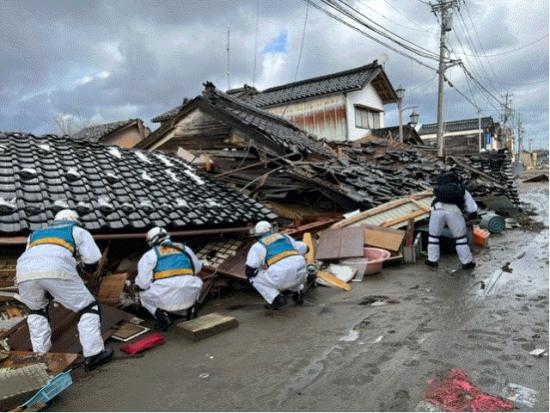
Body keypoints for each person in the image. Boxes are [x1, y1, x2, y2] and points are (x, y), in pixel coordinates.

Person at [16, 209, 112, 371]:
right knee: (88, 307)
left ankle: (41, 357)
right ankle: (94, 354)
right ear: (74, 220)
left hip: (24, 273)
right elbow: (92, 262)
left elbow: (35, 259)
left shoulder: (35, 234)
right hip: (57, 269)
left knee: (37, 311)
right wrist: (83, 271)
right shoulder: (77, 231)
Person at [135, 227, 203, 330]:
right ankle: (192, 311)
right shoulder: (186, 249)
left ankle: (163, 317)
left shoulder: (150, 255)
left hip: (166, 298)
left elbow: (143, 284)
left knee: (142, 295)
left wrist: (138, 286)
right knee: (198, 282)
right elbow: (197, 269)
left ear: (152, 240)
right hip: (189, 293)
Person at [245, 221, 308, 310]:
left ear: (258, 234)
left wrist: (249, 279)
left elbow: (249, 269)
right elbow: (305, 248)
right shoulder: (284, 236)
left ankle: (276, 299)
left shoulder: (258, 246)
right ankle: (298, 294)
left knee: (253, 278)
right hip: (301, 273)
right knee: (293, 267)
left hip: (282, 278)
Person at [425, 172, 478, 269]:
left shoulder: (439, 189)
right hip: (455, 211)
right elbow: (472, 208)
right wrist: (472, 216)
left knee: (433, 236)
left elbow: (431, 203)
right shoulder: (462, 189)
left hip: (437, 209)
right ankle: (466, 262)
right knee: (460, 238)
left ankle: (432, 260)